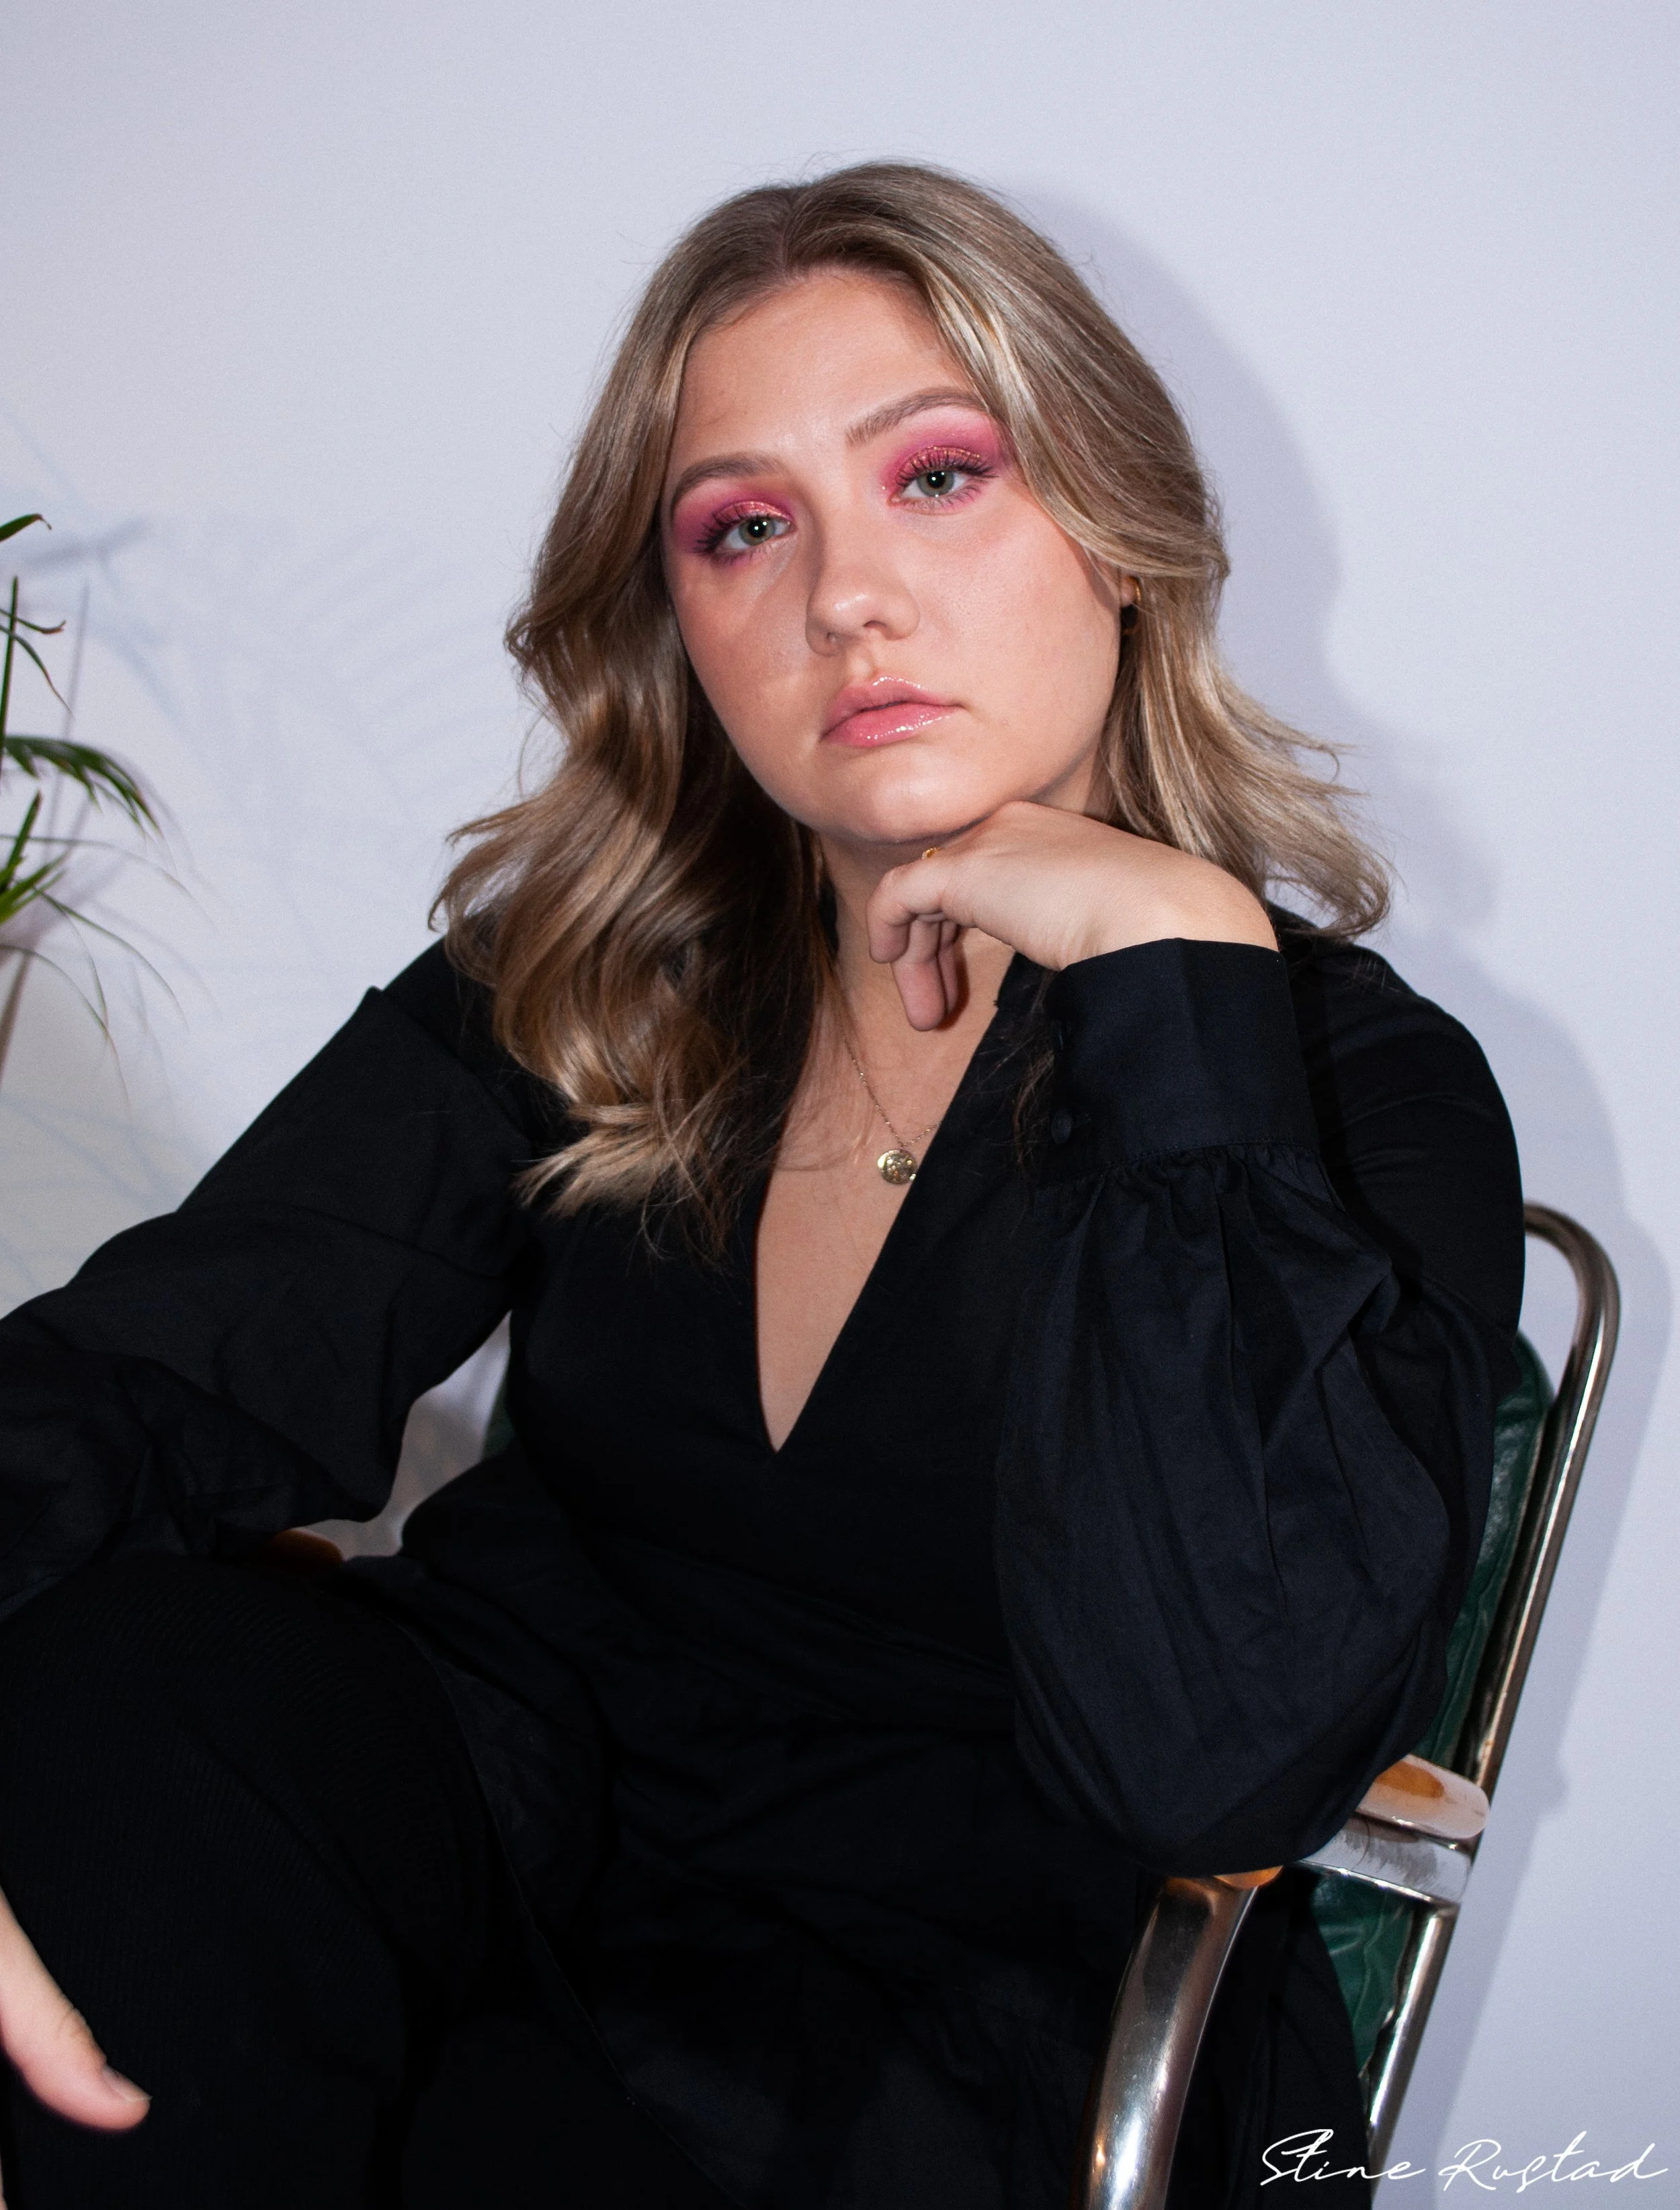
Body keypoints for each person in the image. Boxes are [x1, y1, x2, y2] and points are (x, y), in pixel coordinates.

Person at [0, 163, 1522, 2210]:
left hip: (965, 2015)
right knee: (113, 1713)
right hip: (499, 1825)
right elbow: (172, 1366)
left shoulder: (1340, 1088)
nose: (843, 601)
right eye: (743, 527)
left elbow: (1212, 1749)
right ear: (679, 629)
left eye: (939, 479)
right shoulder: (590, 983)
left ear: (1122, 535)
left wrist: (1170, 967)